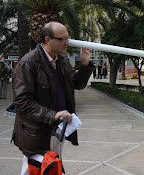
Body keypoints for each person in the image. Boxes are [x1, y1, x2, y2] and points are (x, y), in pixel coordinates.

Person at [11, 21, 94, 175]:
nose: (67, 42)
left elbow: (77, 84)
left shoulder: (61, 61)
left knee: (52, 166)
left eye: (68, 38)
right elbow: (22, 103)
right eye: (62, 39)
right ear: (48, 40)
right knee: (33, 169)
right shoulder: (28, 63)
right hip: (36, 132)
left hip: (57, 128)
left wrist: (84, 64)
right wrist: (53, 114)